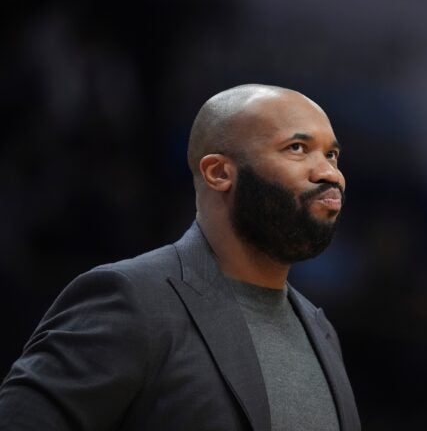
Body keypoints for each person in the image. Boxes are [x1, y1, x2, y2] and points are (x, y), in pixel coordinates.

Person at [0, 84, 360, 430]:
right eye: (297, 148)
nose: (329, 173)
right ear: (219, 172)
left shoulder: (319, 328)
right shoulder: (133, 301)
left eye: (332, 155)